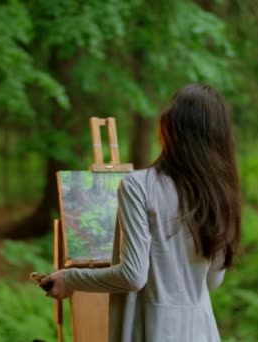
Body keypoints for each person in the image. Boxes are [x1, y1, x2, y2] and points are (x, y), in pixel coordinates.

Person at [41, 83, 242, 342]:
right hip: (202, 332)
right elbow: (213, 280)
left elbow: (133, 275)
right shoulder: (219, 194)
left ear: (170, 128)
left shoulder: (138, 186)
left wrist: (71, 278)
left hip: (153, 331)